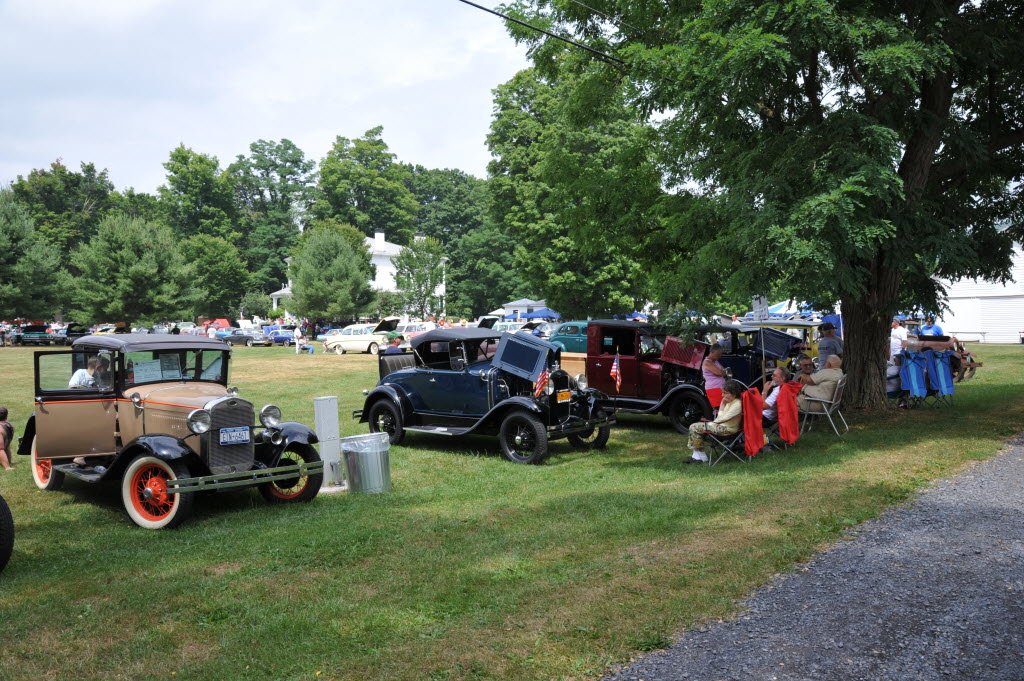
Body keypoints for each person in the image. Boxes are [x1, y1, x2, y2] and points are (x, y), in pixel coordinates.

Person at [686, 379, 744, 464]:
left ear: (733, 394)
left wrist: (711, 423)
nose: (722, 395)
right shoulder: (730, 402)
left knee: (694, 427)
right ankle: (697, 455)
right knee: (695, 427)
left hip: (728, 430)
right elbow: (721, 417)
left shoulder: (737, 404)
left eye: (725, 393)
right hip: (722, 427)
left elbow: (724, 418)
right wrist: (722, 403)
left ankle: (700, 456)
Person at [0, 407, 13, 471]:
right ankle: (8, 462)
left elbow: (1, 449)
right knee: (6, 447)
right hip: (7, 431)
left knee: (0, 449)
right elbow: (6, 447)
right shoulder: (9, 425)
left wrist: (7, 467)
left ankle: (7, 467)